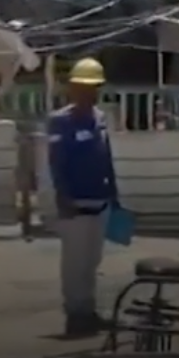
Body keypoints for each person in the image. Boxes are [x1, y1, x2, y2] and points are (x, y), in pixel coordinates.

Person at [47, 57, 121, 337]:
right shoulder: (60, 122)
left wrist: (114, 194)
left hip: (99, 200)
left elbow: (106, 157)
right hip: (74, 204)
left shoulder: (100, 118)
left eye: (94, 88)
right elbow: (56, 163)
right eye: (83, 88)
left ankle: (88, 311)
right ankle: (74, 313)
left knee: (92, 262)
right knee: (74, 265)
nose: (89, 94)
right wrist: (62, 197)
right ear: (73, 89)